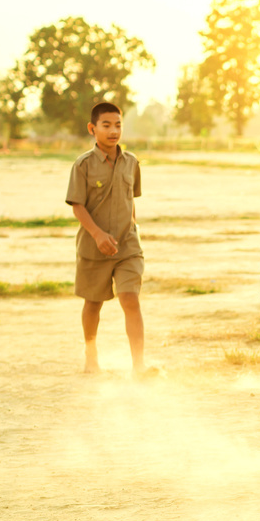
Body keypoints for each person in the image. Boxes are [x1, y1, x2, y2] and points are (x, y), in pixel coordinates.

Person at [65, 102, 153, 377]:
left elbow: (131, 200)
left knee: (130, 298)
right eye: (106, 125)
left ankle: (138, 366)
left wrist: (132, 230)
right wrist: (98, 234)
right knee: (93, 303)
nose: (113, 131)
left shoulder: (131, 162)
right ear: (92, 129)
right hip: (94, 248)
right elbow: (77, 205)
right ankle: (91, 356)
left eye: (118, 125)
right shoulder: (83, 165)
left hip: (128, 246)